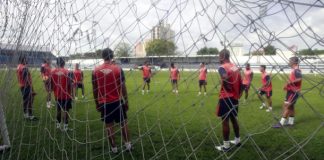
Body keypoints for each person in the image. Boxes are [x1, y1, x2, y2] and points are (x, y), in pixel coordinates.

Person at [92, 48, 132, 153]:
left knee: (109, 126)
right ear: (112, 56)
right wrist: (126, 101)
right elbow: (123, 87)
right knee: (123, 124)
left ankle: (114, 148)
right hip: (117, 102)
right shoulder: (118, 69)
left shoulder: (95, 70)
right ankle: (128, 145)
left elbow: (95, 89)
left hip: (104, 104)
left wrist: (97, 103)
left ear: (102, 57)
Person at [215, 49, 242, 152]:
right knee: (234, 119)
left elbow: (224, 77)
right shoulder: (235, 67)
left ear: (222, 56)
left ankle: (226, 146)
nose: (218, 58)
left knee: (225, 121)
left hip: (226, 97)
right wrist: (238, 93)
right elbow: (241, 82)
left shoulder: (222, 67)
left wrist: (228, 87)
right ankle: (237, 140)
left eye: (219, 56)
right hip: (235, 98)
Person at [273, 57, 302, 128]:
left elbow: (299, 79)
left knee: (287, 106)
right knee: (291, 106)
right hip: (291, 91)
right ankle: (291, 123)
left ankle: (281, 123)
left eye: (290, 61)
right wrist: (287, 85)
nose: (288, 62)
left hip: (294, 91)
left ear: (294, 62)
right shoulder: (294, 70)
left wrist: (290, 82)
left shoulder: (297, 69)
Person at [51, 57, 73, 131]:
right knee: (66, 111)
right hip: (66, 95)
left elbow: (50, 83)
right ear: (64, 63)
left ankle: (58, 125)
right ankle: (65, 127)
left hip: (57, 95)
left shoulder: (52, 71)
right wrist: (72, 94)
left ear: (57, 63)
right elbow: (70, 84)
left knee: (58, 110)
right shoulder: (68, 72)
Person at [16, 55, 38, 120]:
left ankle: (26, 115)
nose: (27, 61)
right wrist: (32, 89)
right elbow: (26, 79)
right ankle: (30, 116)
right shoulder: (24, 67)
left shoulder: (18, 66)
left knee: (25, 101)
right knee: (30, 101)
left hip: (22, 86)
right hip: (26, 86)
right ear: (23, 60)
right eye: (26, 59)